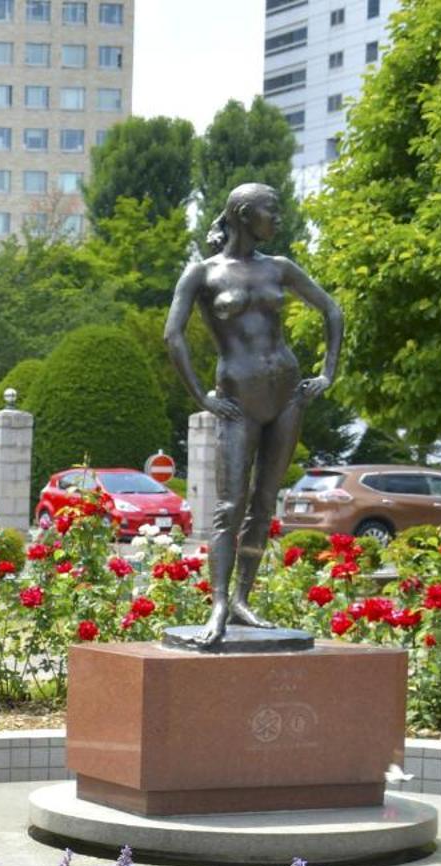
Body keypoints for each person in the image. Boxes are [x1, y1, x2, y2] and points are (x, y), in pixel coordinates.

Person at [164, 182, 343, 645]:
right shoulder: (202, 274)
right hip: (238, 399)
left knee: (264, 503)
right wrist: (201, 397)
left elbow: (332, 311)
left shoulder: (279, 268)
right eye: (271, 211)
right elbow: (173, 336)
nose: (277, 219)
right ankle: (219, 603)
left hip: (286, 394)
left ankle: (243, 599)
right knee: (230, 506)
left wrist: (326, 374)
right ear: (244, 214)